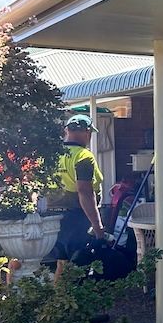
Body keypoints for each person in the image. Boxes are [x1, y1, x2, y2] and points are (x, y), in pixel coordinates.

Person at [45, 115, 105, 276]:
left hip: (53, 217)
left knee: (62, 262)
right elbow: (85, 191)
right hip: (77, 218)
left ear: (67, 131)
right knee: (78, 266)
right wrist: (97, 226)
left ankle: (58, 292)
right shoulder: (83, 156)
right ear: (87, 132)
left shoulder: (54, 155)